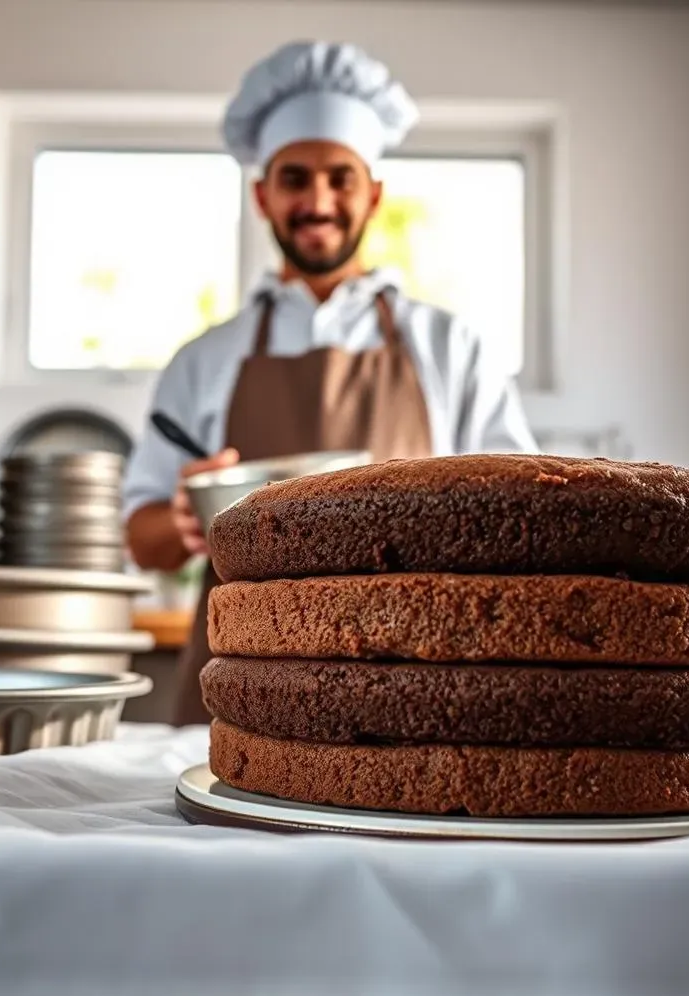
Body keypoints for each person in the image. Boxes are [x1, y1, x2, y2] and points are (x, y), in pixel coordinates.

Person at [124, 40, 538, 726]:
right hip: (237, 689)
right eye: (295, 179)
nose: (317, 201)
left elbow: (518, 508)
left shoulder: (450, 348)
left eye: (339, 178)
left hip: (412, 680)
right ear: (262, 195)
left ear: (373, 193)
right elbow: (141, 538)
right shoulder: (203, 358)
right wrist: (177, 519)